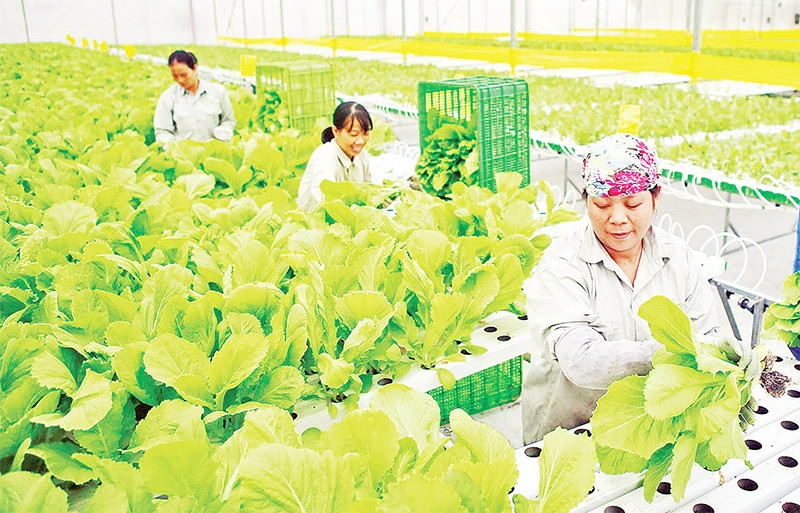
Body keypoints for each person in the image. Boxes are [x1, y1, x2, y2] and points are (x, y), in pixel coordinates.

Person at [520, 133, 756, 444]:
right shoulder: (562, 262)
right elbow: (579, 360)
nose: (617, 219)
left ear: (656, 198)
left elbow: (705, 335)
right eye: (602, 204)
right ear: (586, 200)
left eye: (633, 204)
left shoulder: (679, 258)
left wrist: (724, 357)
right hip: (569, 432)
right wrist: (671, 352)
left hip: (652, 427)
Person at [298, 101, 373, 211]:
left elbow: (368, 192)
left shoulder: (362, 155)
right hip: (316, 222)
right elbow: (326, 202)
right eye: (354, 134)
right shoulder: (325, 158)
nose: (360, 141)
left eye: (365, 133)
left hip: (344, 221)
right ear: (336, 131)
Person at [153, 50, 235, 145]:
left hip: (214, 152)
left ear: (194, 68)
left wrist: (224, 132)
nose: (180, 80)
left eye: (184, 75)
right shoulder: (168, 98)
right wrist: (172, 147)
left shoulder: (218, 92)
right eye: (175, 76)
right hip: (184, 156)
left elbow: (228, 120)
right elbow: (162, 131)